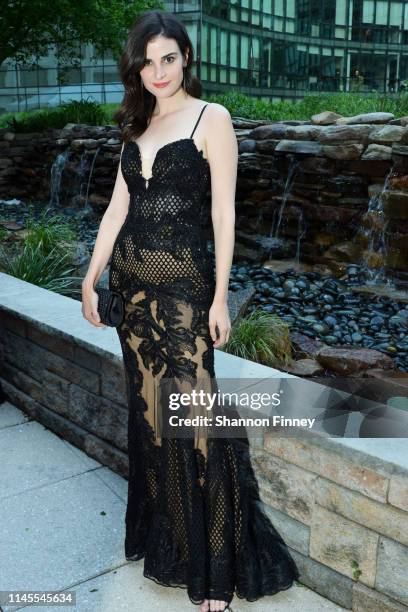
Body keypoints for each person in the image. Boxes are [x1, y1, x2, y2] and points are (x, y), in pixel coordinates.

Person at [81, 9, 300, 612]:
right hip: (132, 297)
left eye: (168, 57)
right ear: (137, 66)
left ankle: (216, 572)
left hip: (184, 298)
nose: (158, 70)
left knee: (200, 427)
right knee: (154, 423)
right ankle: (172, 547)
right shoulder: (136, 125)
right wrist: (90, 277)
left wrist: (221, 295)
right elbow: (115, 212)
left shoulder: (212, 118)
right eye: (147, 60)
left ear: (187, 58)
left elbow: (225, 215)